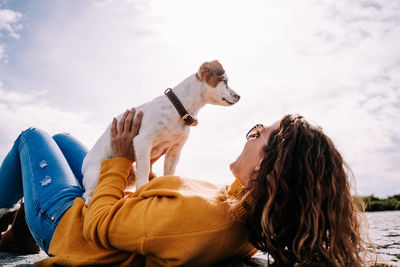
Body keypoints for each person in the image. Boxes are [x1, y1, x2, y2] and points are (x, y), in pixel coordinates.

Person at [0, 108, 370, 266]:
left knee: (31, 136)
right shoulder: (242, 208)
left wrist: (121, 161)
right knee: (64, 138)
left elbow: (101, 226)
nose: (251, 134)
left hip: (70, 225)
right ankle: (16, 237)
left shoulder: (203, 221)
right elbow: (157, 216)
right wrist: (140, 179)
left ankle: (22, 224)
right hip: (108, 204)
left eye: (260, 134)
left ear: (263, 166)